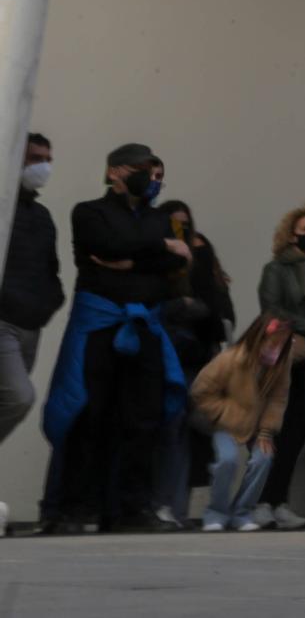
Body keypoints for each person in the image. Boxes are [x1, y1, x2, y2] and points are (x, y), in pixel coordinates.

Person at [42, 142, 189, 533]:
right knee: (89, 415)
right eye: (138, 167)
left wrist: (138, 259)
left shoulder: (158, 218)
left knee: (141, 421)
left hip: (144, 330)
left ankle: (131, 508)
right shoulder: (89, 213)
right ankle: (75, 508)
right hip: (99, 328)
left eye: (150, 168)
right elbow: (107, 247)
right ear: (114, 172)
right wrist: (158, 248)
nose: (145, 174)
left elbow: (175, 263)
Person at [153, 191, 231, 527]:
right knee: (172, 430)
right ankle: (163, 503)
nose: (182, 231)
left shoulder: (200, 260)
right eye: (175, 225)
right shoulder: (157, 262)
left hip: (198, 361)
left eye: (186, 225)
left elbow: (218, 315)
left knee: (191, 432)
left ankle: (178, 508)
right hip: (167, 358)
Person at [254, 205, 305, 529]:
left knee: (297, 434)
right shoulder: (275, 270)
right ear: (291, 233)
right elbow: (272, 311)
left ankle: (280, 501)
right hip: (285, 357)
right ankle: (260, 501)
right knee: (273, 430)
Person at [2, 132, 63, 530]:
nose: (42, 165)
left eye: (47, 157)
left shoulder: (40, 217)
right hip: (3, 322)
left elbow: (50, 269)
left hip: (31, 325)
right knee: (20, 397)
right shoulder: (3, 208)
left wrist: (48, 304)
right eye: (34, 157)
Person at [188, 314, 300, 531]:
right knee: (227, 460)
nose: (276, 347)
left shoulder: (281, 364)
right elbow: (200, 392)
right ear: (258, 338)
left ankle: (242, 512)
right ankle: (216, 513)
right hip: (225, 423)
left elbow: (278, 398)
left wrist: (267, 431)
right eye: (273, 342)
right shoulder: (230, 359)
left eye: (283, 342)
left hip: (257, 425)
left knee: (264, 458)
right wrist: (226, 413)